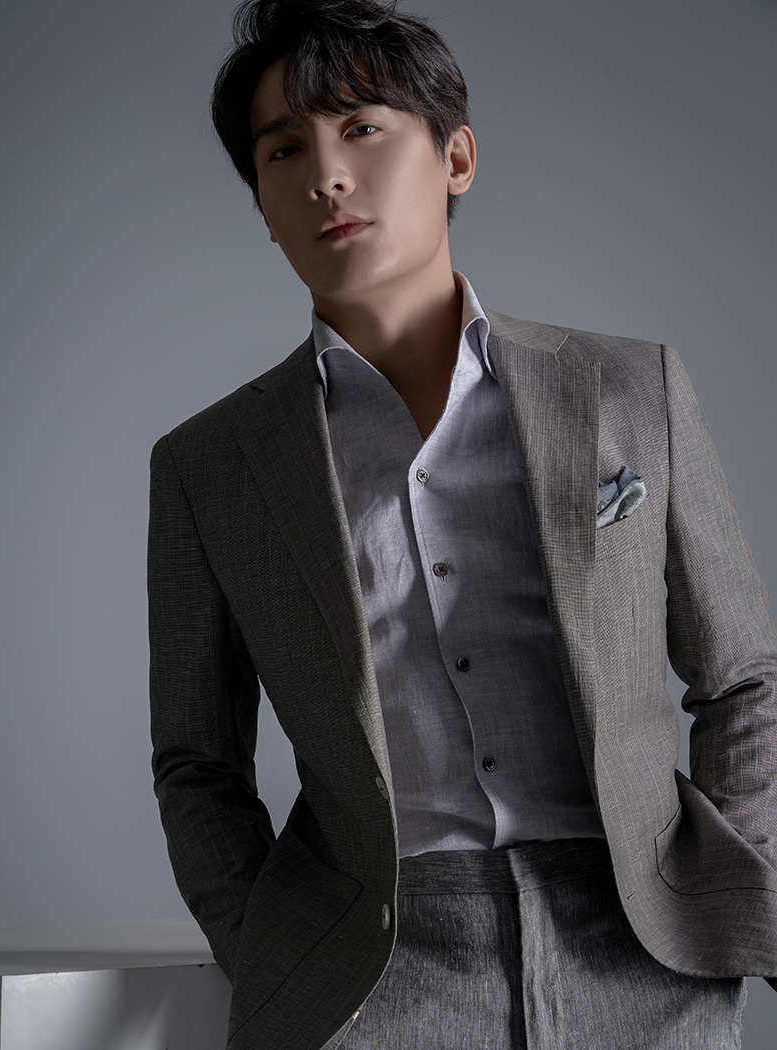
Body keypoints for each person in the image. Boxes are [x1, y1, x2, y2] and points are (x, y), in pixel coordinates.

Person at [147, 1, 777, 1047]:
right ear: (262, 205)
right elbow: (197, 762)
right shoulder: (211, 466)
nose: (326, 175)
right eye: (283, 150)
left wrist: (724, 891)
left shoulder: (631, 389)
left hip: (641, 944)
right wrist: (268, 946)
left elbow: (744, 678)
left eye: (361, 128)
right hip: (377, 965)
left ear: (455, 158)